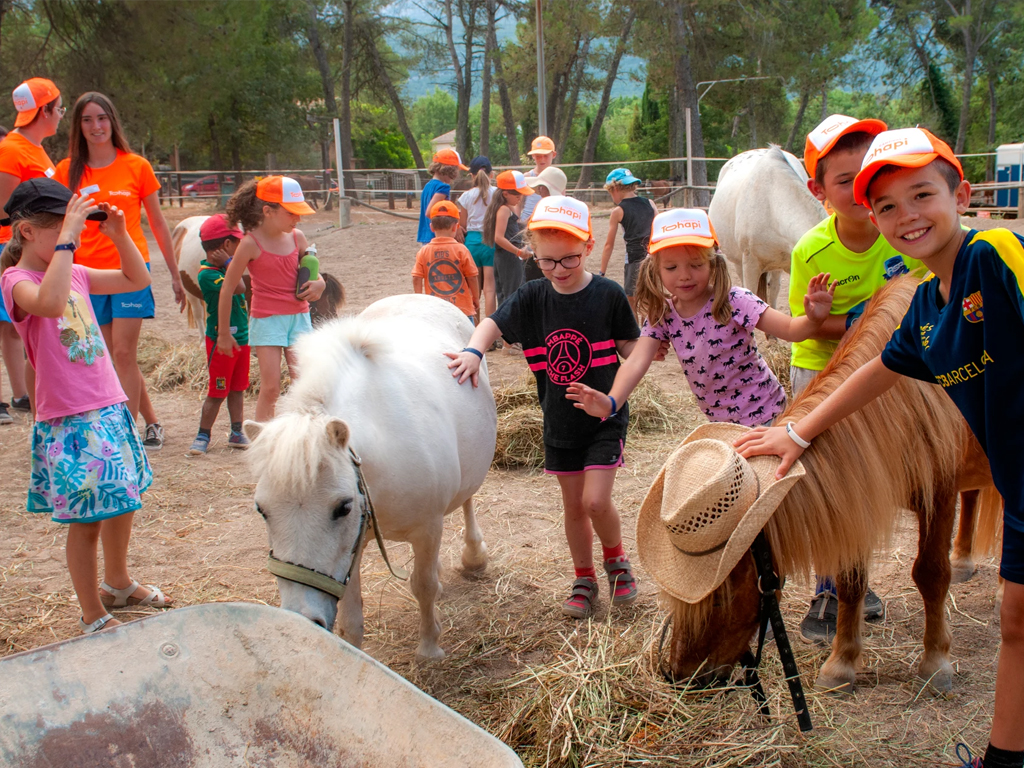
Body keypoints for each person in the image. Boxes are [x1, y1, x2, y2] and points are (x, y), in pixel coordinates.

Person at [735, 128, 1024, 768]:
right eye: (886, 206)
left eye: (922, 194)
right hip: (1019, 478)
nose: (905, 216)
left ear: (963, 194)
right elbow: (880, 371)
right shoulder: (923, 306)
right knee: (1015, 623)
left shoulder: (996, 253)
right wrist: (800, 430)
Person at [447, 195, 641, 620]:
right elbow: (491, 323)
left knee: (594, 502)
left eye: (569, 259)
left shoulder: (608, 295)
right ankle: (584, 577)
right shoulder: (533, 296)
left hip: (604, 417)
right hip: (559, 421)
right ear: (533, 251)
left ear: (588, 246)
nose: (558, 270)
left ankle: (616, 561)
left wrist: (648, 349)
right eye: (547, 261)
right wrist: (474, 352)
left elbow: (631, 345)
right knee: (573, 507)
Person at [0, 179, 172, 635]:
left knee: (123, 501)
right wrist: (69, 240)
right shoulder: (16, 280)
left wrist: (119, 235)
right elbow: (51, 305)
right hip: (70, 418)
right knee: (89, 520)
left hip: (109, 404)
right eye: (59, 227)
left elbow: (137, 279)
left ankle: (118, 582)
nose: (69, 236)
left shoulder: (72, 269)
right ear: (26, 232)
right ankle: (92, 611)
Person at [789, 114, 924, 643]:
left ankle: (857, 576)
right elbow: (809, 325)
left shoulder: (903, 234)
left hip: (894, 367)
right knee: (822, 471)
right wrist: (836, 317)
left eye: (868, 172)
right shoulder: (810, 251)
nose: (859, 188)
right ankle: (830, 584)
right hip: (822, 365)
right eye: (844, 180)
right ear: (816, 189)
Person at [567, 208, 835, 428]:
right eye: (671, 267)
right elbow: (637, 361)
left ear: (712, 263)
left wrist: (812, 319)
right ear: (655, 269)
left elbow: (790, 329)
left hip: (769, 415)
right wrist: (612, 402)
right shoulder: (663, 315)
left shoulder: (735, 301)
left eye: (696, 265)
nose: (684, 275)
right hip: (721, 427)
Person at [54, 91, 187, 452]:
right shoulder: (67, 170)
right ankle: (153, 421)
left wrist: (174, 275)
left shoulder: (136, 166)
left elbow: (158, 224)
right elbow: (56, 221)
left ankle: (124, 432)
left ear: (112, 121)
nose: (96, 126)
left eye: (102, 118)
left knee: (124, 352)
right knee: (110, 354)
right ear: (78, 126)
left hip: (130, 270)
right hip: (86, 274)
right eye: (87, 120)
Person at [220, 176, 324, 422]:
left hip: (299, 317)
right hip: (267, 320)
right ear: (268, 210)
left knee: (305, 382)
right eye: (291, 213)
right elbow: (227, 288)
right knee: (270, 388)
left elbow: (312, 272)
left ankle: (306, 434)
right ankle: (262, 440)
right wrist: (224, 333)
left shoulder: (297, 237)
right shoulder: (250, 244)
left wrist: (321, 283)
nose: (298, 219)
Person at [0, 78, 65, 424]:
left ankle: (25, 395)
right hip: (13, 244)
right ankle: (19, 395)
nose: (60, 115)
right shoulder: (13, 149)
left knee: (20, 327)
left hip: (33, 243)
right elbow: (3, 210)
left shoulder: (34, 147)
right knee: (10, 325)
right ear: (45, 111)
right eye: (59, 108)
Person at [190, 214, 250, 455]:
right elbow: (239, 287)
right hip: (221, 340)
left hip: (242, 338)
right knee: (217, 390)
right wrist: (229, 264)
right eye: (237, 243)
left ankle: (237, 431)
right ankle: (203, 434)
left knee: (238, 388)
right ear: (227, 245)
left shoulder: (224, 268)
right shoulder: (206, 274)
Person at [598, 168, 658, 316]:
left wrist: (602, 271)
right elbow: (659, 228)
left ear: (615, 188)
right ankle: (649, 326)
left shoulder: (618, 211)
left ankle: (637, 331)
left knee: (632, 296)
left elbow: (608, 244)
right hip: (654, 255)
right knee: (649, 295)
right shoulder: (650, 203)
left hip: (634, 258)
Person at [412, 200, 479, 323]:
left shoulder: (424, 251)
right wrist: (475, 298)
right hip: (462, 308)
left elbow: (416, 277)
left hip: (435, 309)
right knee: (468, 340)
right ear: (455, 227)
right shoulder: (461, 249)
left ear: (431, 227)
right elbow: (472, 277)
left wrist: (419, 299)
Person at [483, 170, 534, 307]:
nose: (521, 197)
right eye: (518, 194)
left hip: (506, 257)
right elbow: (499, 238)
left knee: (507, 294)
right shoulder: (504, 210)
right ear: (506, 194)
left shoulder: (506, 208)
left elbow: (512, 228)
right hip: (509, 257)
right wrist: (518, 252)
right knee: (513, 295)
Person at [456, 156, 496, 321]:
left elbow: (463, 224)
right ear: (491, 174)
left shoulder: (466, 196)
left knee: (474, 290)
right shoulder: (497, 193)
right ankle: (491, 332)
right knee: (490, 289)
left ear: (472, 175)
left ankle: (476, 327)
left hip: (472, 242)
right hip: (490, 240)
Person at [522, 166, 568, 283]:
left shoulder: (544, 206)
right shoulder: (566, 209)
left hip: (542, 257)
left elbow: (530, 230)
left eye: (541, 186)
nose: (539, 189)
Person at [417, 149, 467, 245]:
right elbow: (430, 212)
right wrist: (456, 226)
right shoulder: (443, 187)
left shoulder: (428, 185)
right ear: (449, 169)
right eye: (456, 170)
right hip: (437, 236)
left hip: (426, 234)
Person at [520, 135, 557, 223]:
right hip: (527, 222)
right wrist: (517, 221)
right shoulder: (527, 177)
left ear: (554, 155)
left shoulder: (557, 178)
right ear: (533, 156)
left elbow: (561, 202)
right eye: (538, 156)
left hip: (548, 221)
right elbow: (519, 202)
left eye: (545, 156)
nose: (542, 159)